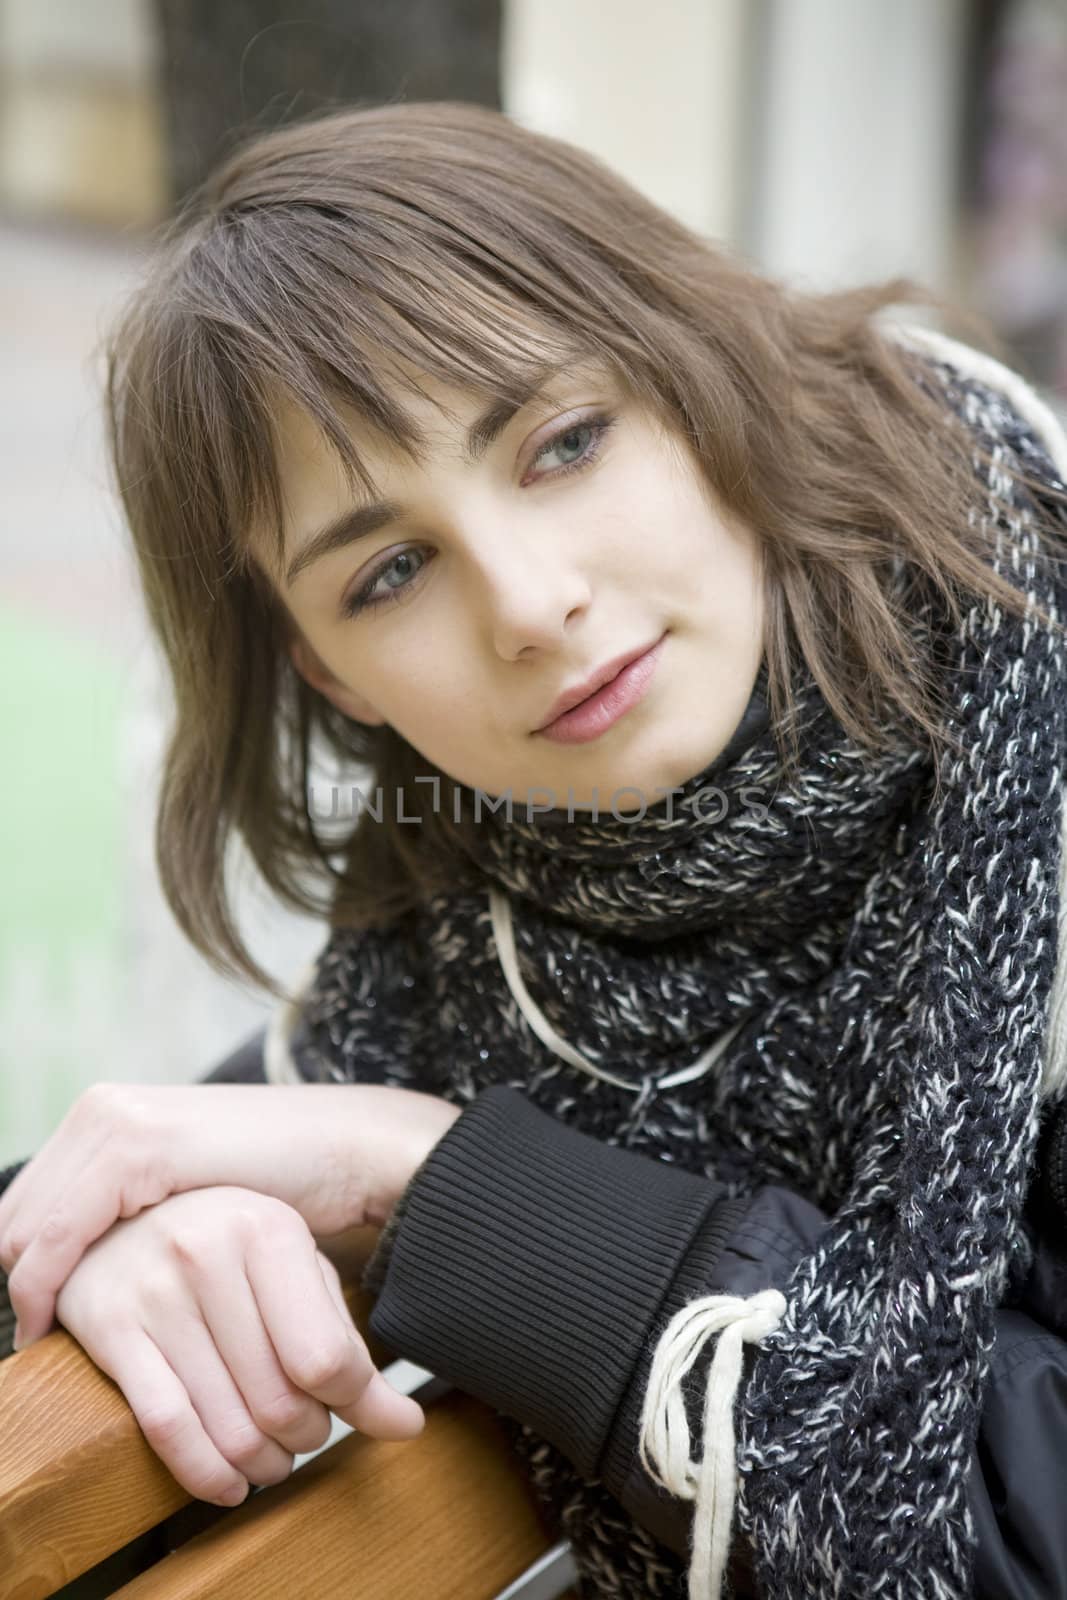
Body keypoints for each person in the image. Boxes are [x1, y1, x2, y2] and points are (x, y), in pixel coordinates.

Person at [2, 100, 1067, 1600]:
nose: (525, 602)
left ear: (698, 376)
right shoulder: (474, 923)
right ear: (330, 677)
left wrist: (443, 1180)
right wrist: (104, 1261)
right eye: (389, 571)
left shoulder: (1035, 745)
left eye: (562, 441)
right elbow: (99, 1201)